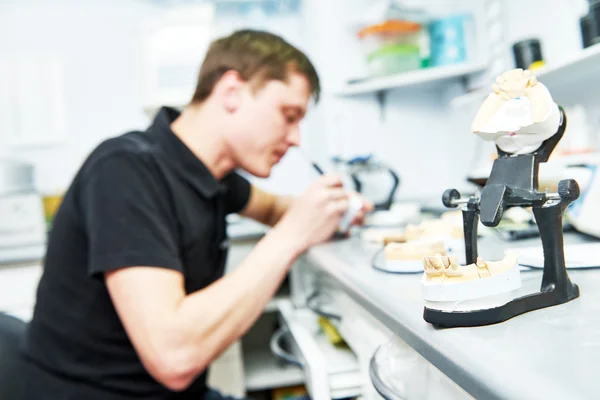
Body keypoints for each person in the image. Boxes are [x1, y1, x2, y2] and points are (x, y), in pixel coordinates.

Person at [19, 29, 372, 399]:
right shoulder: (124, 171)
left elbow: (276, 208)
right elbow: (174, 357)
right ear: (232, 92)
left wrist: (333, 209)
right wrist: (292, 235)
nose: (297, 137)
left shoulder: (211, 175)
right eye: (288, 115)